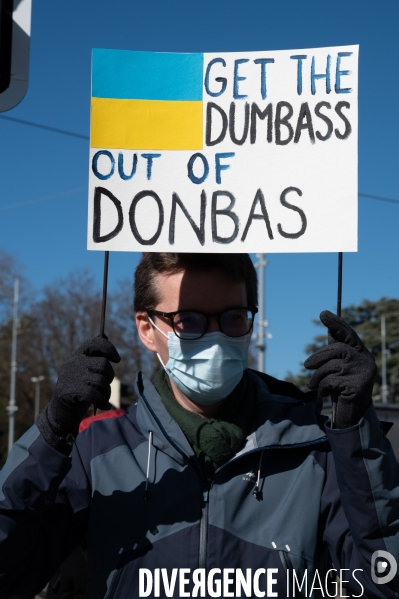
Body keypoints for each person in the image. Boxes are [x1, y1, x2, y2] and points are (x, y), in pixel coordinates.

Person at [0, 252, 398, 599]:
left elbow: (384, 581)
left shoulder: (313, 447)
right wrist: (52, 431)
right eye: (187, 321)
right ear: (146, 328)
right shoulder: (97, 449)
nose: (214, 337)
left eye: (233, 317)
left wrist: (355, 428)